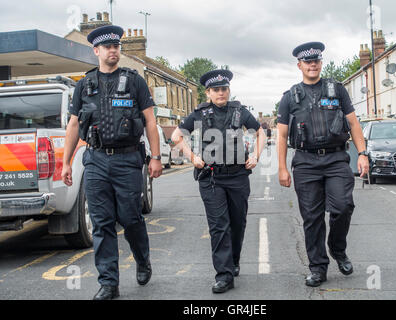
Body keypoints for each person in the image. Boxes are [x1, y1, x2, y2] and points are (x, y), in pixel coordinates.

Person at [62, 25, 163, 300]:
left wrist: (155, 157)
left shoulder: (134, 81)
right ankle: (109, 283)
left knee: (130, 218)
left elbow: (151, 122)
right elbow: (73, 125)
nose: (113, 51)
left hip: (128, 160)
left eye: (116, 46)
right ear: (96, 51)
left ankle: (142, 259)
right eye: (107, 47)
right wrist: (66, 162)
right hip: (94, 161)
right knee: (102, 222)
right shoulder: (84, 85)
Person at [276, 42, 369, 287]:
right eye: (307, 62)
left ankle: (337, 249)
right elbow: (283, 136)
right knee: (312, 217)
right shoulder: (289, 98)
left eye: (316, 61)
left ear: (320, 63)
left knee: (343, 206)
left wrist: (362, 153)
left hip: (336, 158)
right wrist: (282, 168)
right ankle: (318, 267)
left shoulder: (337, 90)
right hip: (306, 162)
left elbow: (354, 123)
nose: (312, 65)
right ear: (300, 66)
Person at [171, 69, 266, 293]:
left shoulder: (239, 112)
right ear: (208, 93)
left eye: (224, 89)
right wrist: (192, 157)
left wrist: (255, 156)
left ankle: (233, 261)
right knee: (218, 227)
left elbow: (259, 133)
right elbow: (176, 136)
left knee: (237, 223)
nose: (221, 93)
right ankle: (223, 275)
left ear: (228, 91)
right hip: (212, 178)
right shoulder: (199, 114)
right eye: (216, 90)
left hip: (238, 176)